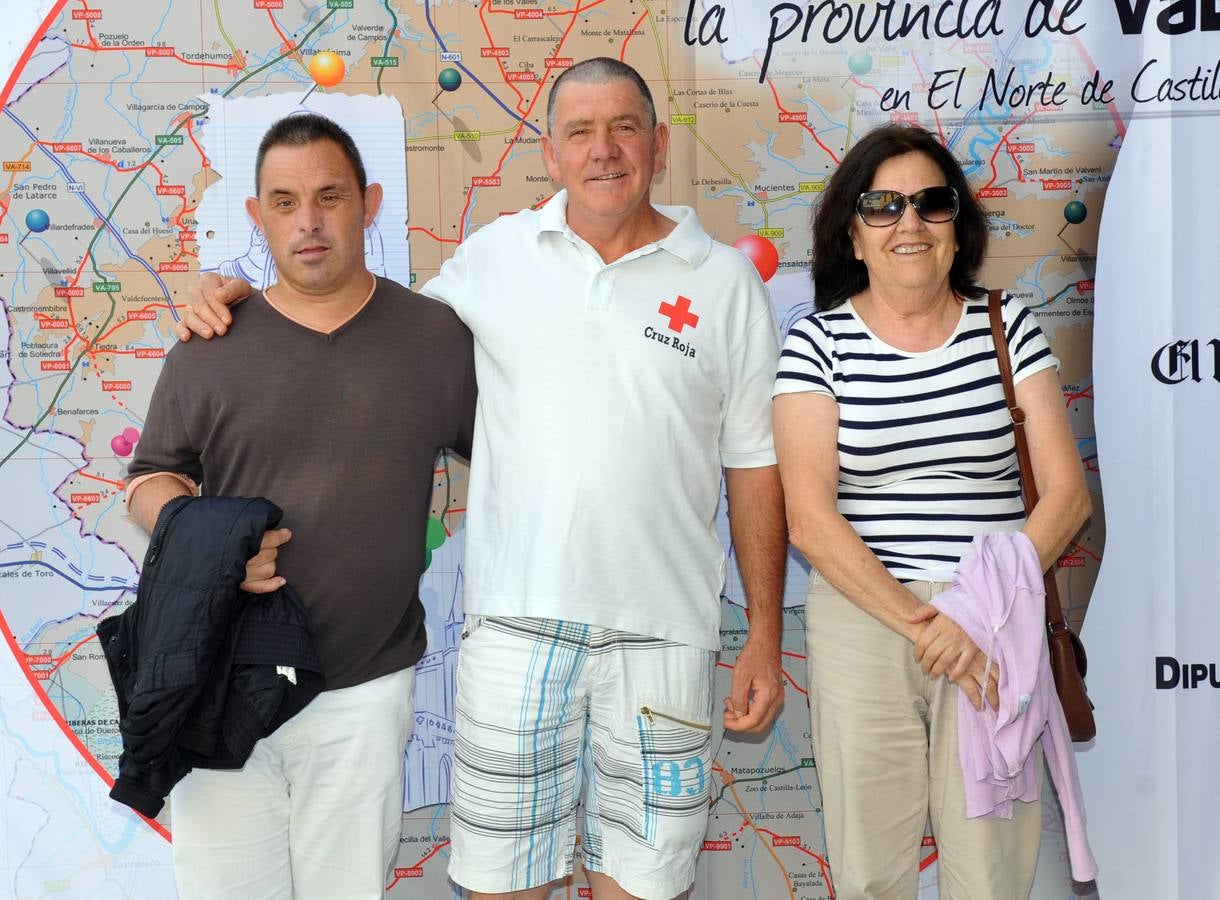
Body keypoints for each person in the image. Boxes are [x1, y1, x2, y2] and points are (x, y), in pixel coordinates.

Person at [177, 57, 787, 900]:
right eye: (579, 131)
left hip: (667, 637)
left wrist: (762, 633)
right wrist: (247, 298)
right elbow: (361, 325)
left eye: (622, 128)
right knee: (503, 887)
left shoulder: (723, 284)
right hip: (516, 634)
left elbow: (754, 464)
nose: (603, 150)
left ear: (658, 142)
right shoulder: (493, 259)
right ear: (550, 151)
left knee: (646, 886)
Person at [126, 113, 476, 899]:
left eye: (329, 196)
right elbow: (149, 480)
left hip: (362, 689)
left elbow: (520, 458)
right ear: (256, 216)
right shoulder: (209, 342)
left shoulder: (437, 339)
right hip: (218, 679)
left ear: (369, 202)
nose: (308, 221)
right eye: (284, 202)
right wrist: (205, 541)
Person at [771, 124, 1090, 899]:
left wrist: (970, 613)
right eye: (881, 206)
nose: (907, 223)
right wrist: (925, 623)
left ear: (957, 228)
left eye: (929, 203)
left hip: (990, 624)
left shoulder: (1007, 327)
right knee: (871, 871)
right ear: (851, 232)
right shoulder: (815, 344)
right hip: (865, 622)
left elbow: (1068, 497)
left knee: (990, 872)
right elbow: (810, 521)